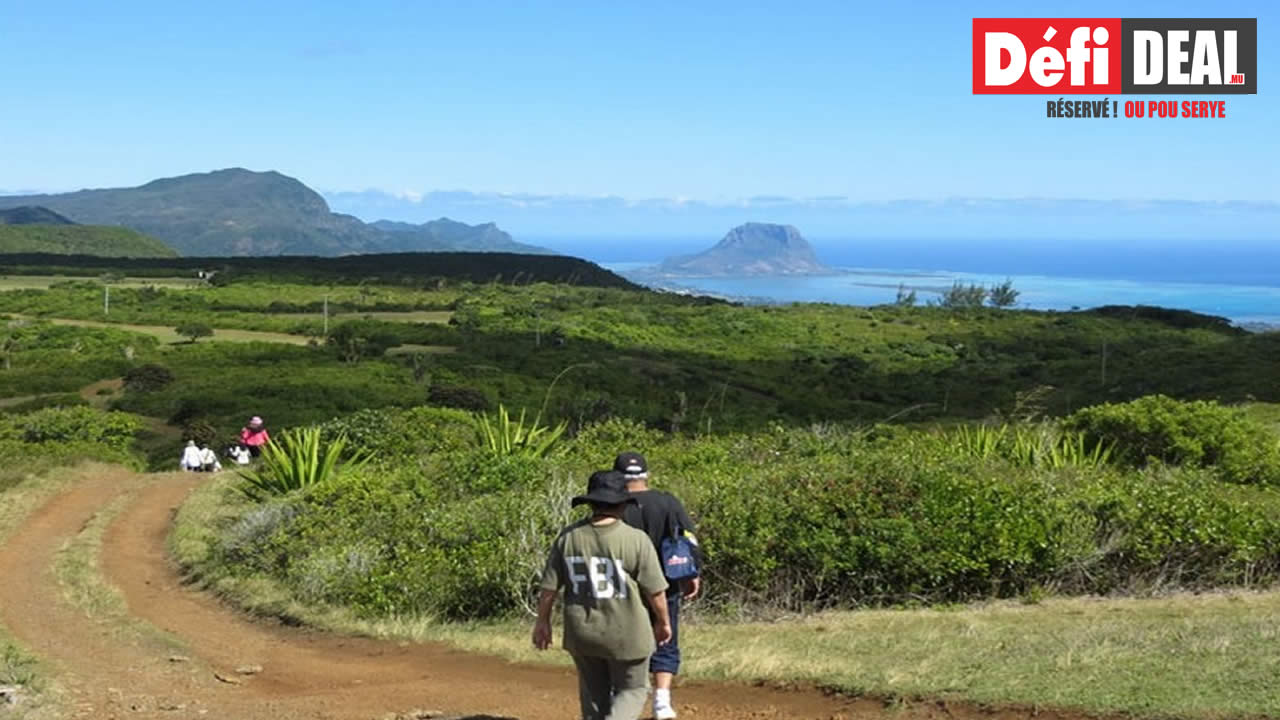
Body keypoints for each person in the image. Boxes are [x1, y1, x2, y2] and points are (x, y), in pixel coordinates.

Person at [534, 470, 673, 720]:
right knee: (633, 689)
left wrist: (542, 622)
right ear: (622, 504)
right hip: (627, 634)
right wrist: (664, 622)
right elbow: (656, 592)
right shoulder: (635, 540)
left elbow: (548, 590)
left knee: (593, 696)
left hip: (582, 633)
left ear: (592, 503)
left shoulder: (568, 537)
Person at [615, 452, 701, 720]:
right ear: (646, 475)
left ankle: (621, 697)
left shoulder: (614, 505)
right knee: (666, 637)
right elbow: (688, 539)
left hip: (625, 586)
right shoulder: (667, 502)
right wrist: (692, 572)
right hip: (665, 583)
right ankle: (662, 701)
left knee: (625, 641)